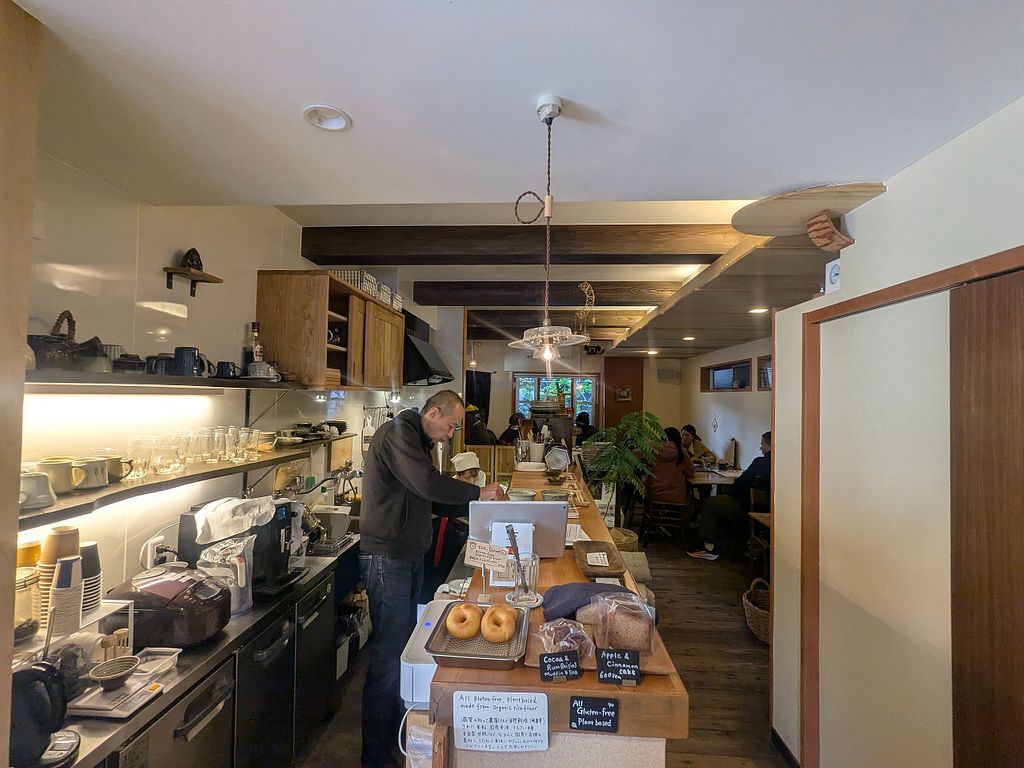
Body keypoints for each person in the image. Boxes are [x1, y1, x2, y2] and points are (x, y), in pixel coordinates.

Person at [359, 390, 505, 768]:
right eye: (451, 426)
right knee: (389, 655)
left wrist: (478, 504)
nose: (451, 434)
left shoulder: (419, 441)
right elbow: (428, 484)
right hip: (387, 558)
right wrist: (478, 491)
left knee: (403, 651)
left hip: (406, 556)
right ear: (434, 412)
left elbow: (432, 498)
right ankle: (375, 757)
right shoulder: (398, 434)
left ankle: (397, 740)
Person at [688, 431, 771, 561]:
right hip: (768, 510)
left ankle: (710, 547)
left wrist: (730, 493)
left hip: (748, 507)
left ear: (769, 445)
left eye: (762, 445)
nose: (761, 448)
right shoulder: (782, 464)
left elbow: (741, 483)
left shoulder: (760, 462)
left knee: (710, 503)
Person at [646, 426, 696, 503]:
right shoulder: (681, 451)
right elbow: (691, 472)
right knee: (691, 501)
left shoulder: (652, 449)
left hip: (653, 495)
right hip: (676, 497)